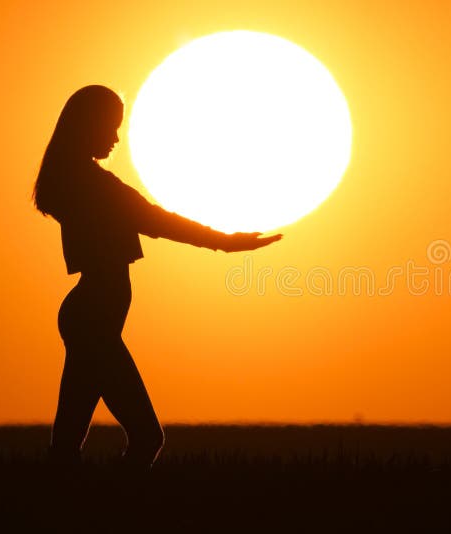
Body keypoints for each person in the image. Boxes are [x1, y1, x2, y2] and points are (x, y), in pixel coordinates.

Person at [33, 85, 282, 469]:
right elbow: (156, 222)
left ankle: (69, 510)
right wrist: (226, 243)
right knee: (147, 437)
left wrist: (226, 244)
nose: (116, 138)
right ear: (89, 126)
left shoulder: (79, 182)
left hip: (87, 318)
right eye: (111, 127)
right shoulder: (94, 186)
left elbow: (153, 220)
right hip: (93, 321)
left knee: (66, 448)